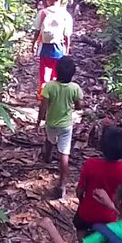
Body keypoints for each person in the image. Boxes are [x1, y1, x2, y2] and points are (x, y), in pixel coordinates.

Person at [74, 126, 122, 236]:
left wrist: (81, 200)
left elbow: (80, 190)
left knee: (79, 224)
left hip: (88, 212)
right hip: (112, 215)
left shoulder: (91, 164)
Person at [38, 55, 82, 199]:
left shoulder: (49, 86)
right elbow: (79, 106)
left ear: (56, 71)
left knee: (49, 140)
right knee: (64, 154)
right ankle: (62, 185)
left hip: (51, 123)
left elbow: (43, 106)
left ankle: (47, 156)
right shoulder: (75, 88)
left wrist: (39, 120)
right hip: (66, 125)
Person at [33, 0, 73, 99]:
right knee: (57, 74)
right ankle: (55, 95)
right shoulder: (66, 15)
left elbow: (37, 30)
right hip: (59, 49)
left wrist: (33, 44)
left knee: (44, 74)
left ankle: (42, 95)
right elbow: (67, 35)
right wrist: (67, 49)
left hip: (44, 48)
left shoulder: (42, 13)